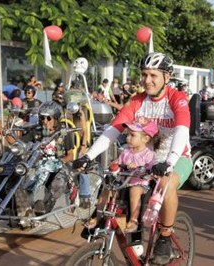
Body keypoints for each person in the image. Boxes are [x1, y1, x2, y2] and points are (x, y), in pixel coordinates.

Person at [73, 52, 192, 265]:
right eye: (144, 74)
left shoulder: (177, 98)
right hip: (145, 158)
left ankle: (164, 237)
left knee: (166, 183)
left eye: (153, 75)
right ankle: (109, 223)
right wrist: (88, 156)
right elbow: (113, 129)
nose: (147, 80)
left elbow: (182, 132)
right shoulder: (137, 101)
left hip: (177, 157)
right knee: (115, 176)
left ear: (167, 77)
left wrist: (169, 162)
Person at [87, 119, 158, 232]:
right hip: (124, 183)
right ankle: (98, 216)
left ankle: (134, 220)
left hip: (140, 184)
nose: (128, 137)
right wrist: (114, 164)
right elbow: (118, 162)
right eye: (127, 134)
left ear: (145, 138)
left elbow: (151, 168)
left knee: (134, 191)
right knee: (108, 188)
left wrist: (140, 166)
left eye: (132, 135)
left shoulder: (149, 154)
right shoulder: (126, 151)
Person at [24, 101, 75, 214]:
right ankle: (21, 207)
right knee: (20, 177)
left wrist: (58, 162)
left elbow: (71, 155)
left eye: (48, 118)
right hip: (37, 165)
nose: (45, 121)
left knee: (58, 183)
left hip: (58, 164)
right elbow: (21, 144)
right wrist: (6, 134)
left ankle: (44, 209)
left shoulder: (64, 133)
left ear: (56, 119)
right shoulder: (36, 132)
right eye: (42, 118)